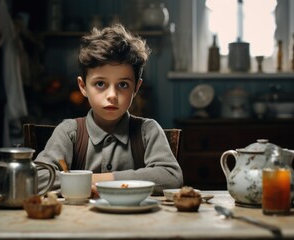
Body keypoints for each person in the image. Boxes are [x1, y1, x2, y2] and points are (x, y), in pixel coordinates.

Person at [35, 24, 183, 196]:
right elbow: (38, 179)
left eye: (123, 84)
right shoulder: (69, 132)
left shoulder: (147, 131)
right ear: (83, 87)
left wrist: (101, 180)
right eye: (100, 84)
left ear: (136, 88)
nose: (112, 95)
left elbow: (172, 177)